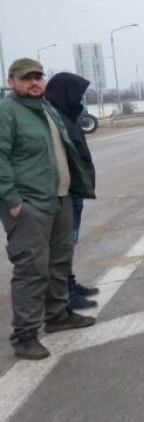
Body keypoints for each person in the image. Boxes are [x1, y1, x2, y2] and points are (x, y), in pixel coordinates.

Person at [0, 58, 97, 360]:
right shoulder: (7, 112)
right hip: (30, 205)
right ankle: (25, 335)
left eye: (38, 77)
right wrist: (13, 201)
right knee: (32, 269)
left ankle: (57, 317)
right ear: (11, 80)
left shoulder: (46, 109)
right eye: (26, 78)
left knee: (58, 262)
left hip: (60, 198)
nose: (34, 83)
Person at [44, 72, 101, 309]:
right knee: (62, 245)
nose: (80, 100)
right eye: (78, 95)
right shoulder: (54, 117)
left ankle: (70, 282)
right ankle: (65, 292)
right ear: (66, 93)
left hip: (74, 188)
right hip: (66, 190)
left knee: (68, 244)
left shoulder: (67, 115)